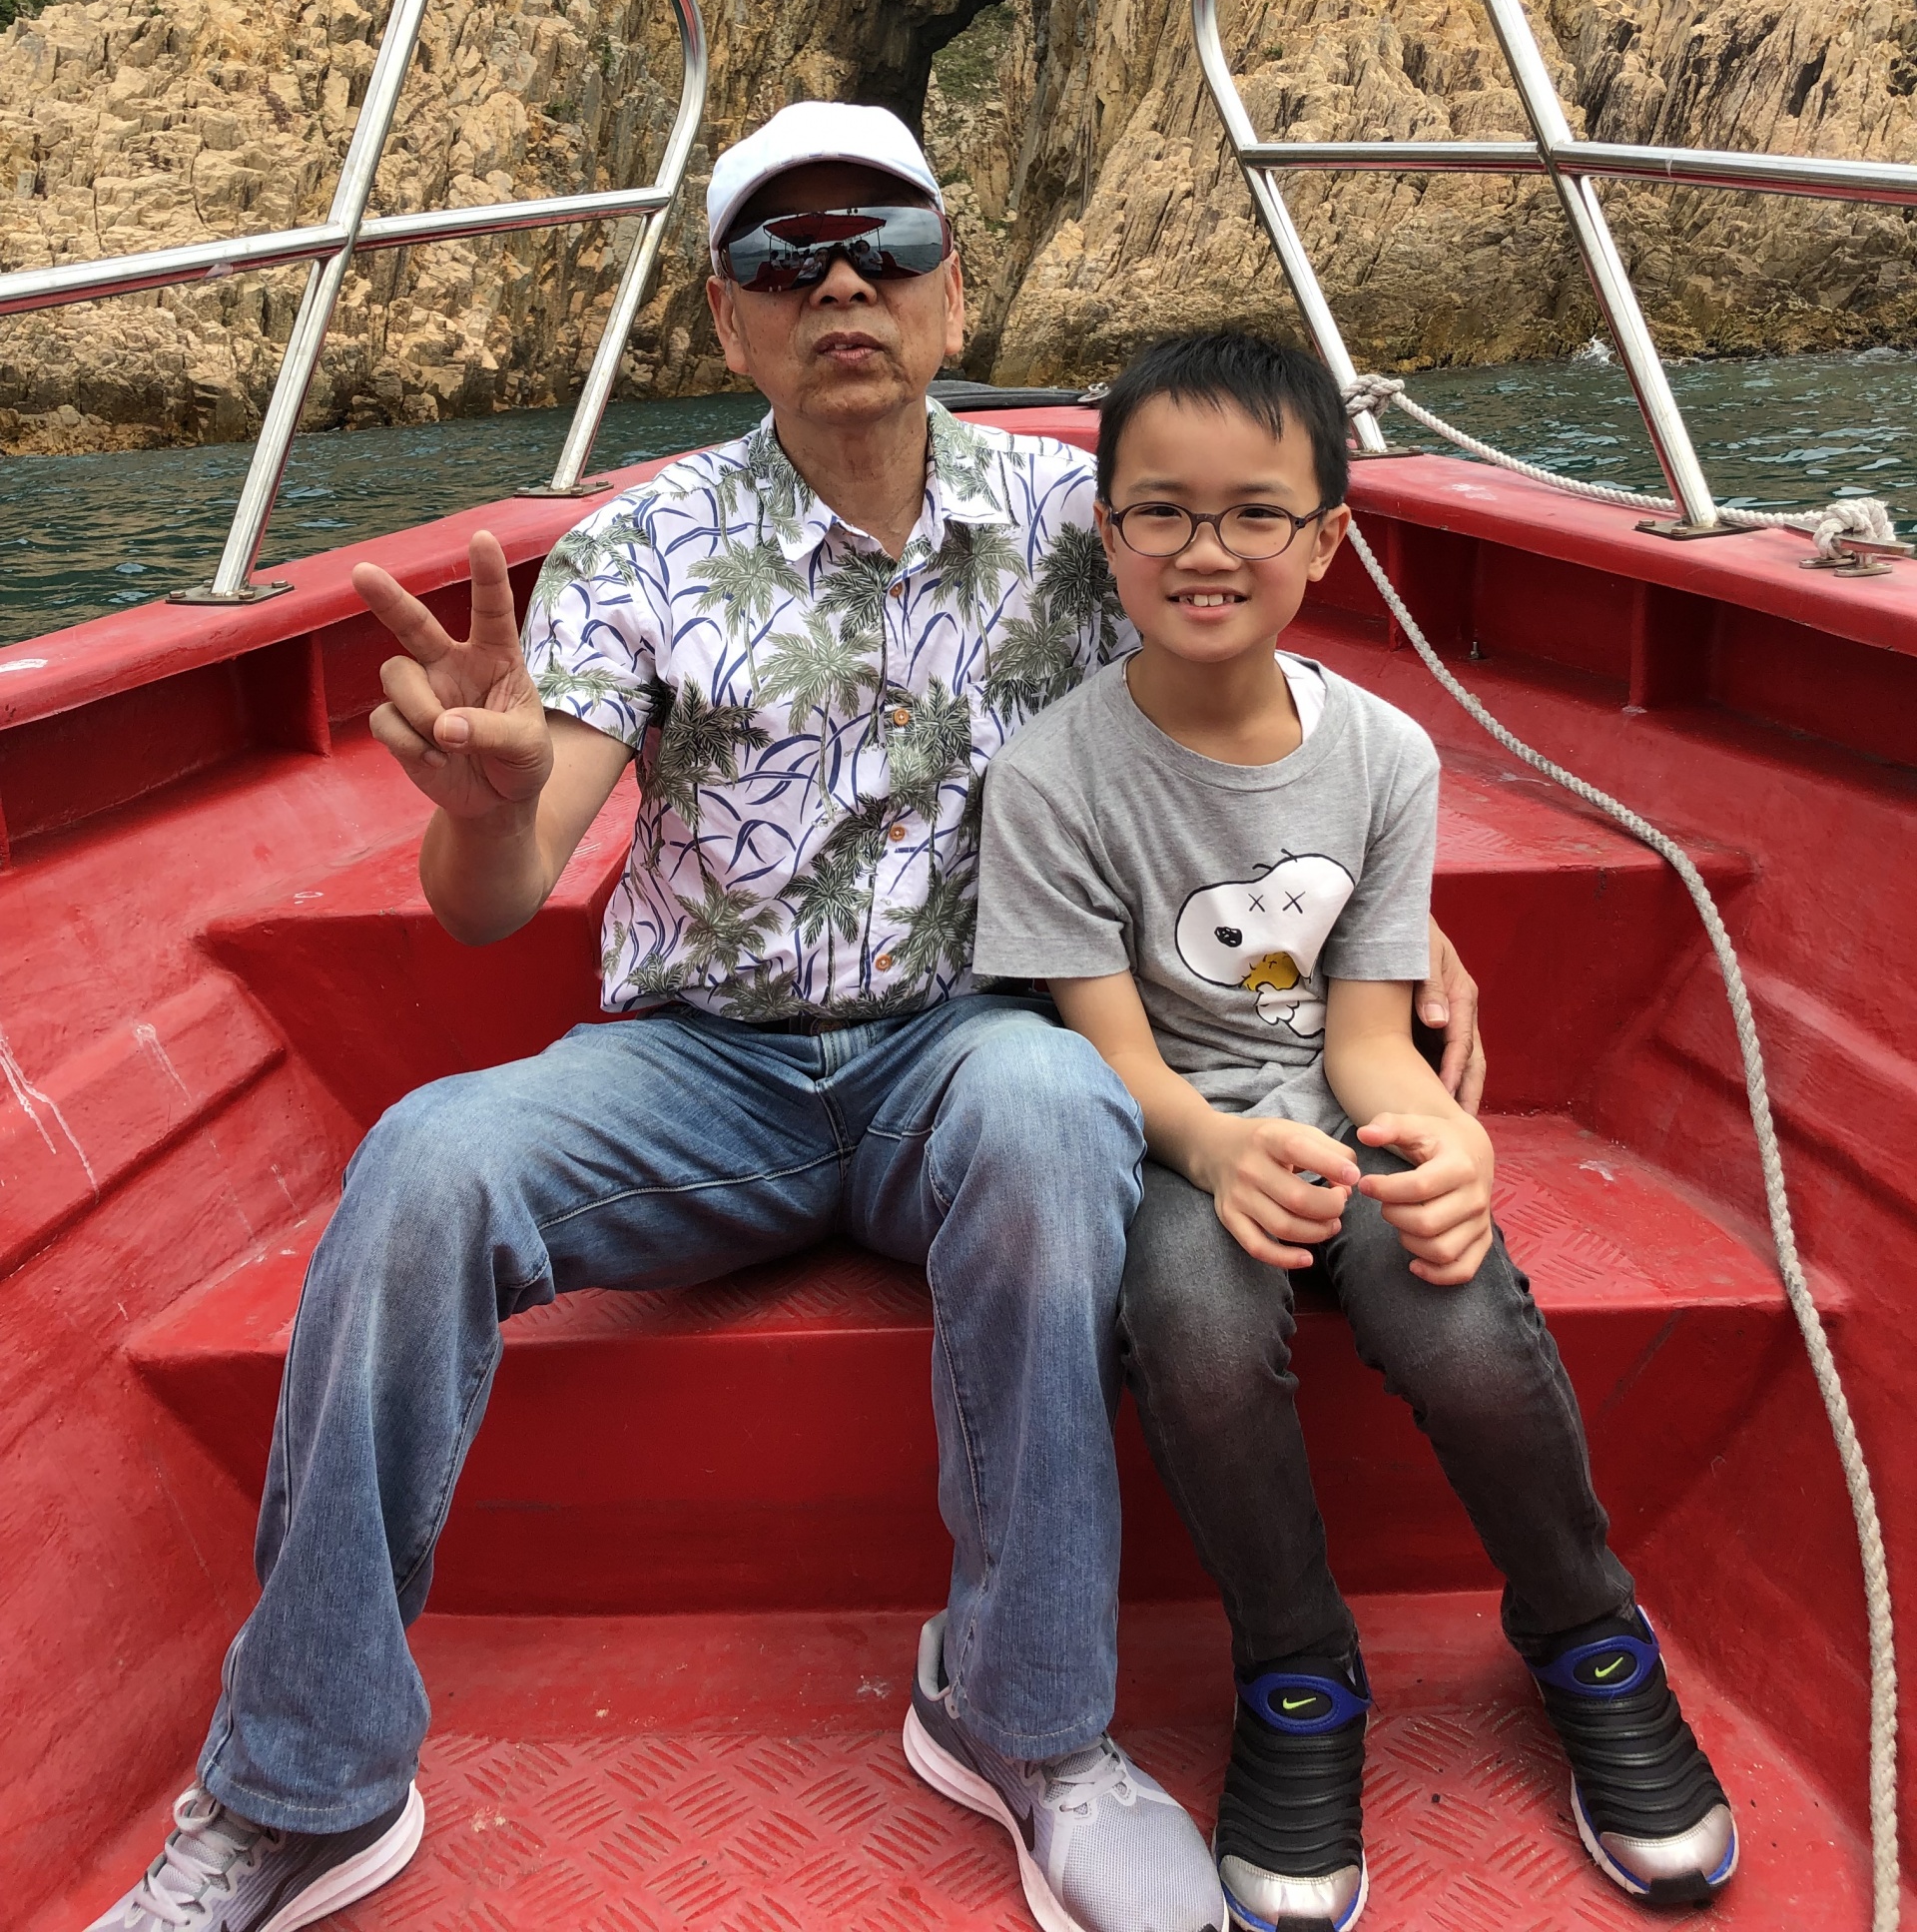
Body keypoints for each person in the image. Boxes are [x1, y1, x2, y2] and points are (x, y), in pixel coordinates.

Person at [91, 108, 1483, 1932]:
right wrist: (488, 806)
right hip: (700, 1071)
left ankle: (1027, 1725)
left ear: (953, 291)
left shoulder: (1082, 520)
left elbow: (1249, 710)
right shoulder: (641, 549)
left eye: (882, 246)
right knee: (427, 1164)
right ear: (726, 320)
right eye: (781, 258)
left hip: (966, 1048)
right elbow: (494, 899)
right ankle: (301, 1788)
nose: (840, 285)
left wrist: (1398, 916)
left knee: (1057, 1105)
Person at [972, 328, 1736, 1932]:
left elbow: (1371, 1041)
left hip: (1329, 1109)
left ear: (1327, 538)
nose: (1207, 551)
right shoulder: (1050, 777)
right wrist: (1214, 1153)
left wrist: (1449, 1147)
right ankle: (1298, 1671)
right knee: (1192, 1318)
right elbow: (1114, 1052)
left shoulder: (1386, 756)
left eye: (1257, 513)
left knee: (1454, 1296)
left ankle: (1589, 1632)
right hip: (1171, 1136)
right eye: (1162, 512)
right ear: (1106, 530)